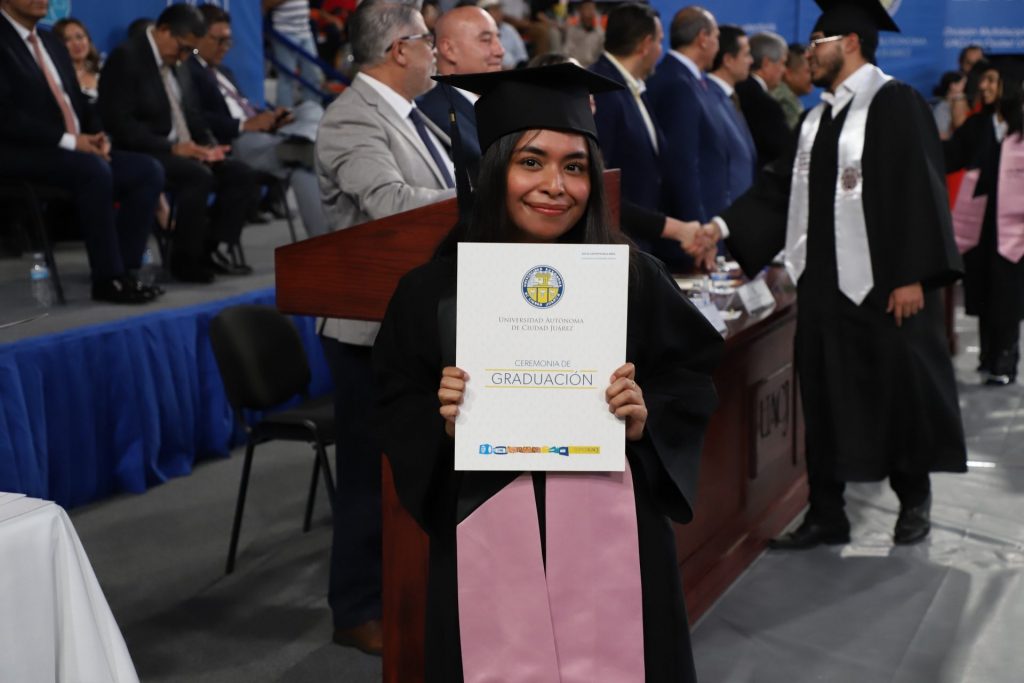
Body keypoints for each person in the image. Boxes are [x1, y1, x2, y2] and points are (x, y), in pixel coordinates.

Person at [373, 61, 722, 683]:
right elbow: (395, 400)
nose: (555, 186)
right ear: (494, 169)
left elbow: (691, 377)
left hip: (615, 530)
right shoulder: (434, 291)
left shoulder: (632, 278)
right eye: (531, 162)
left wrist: (646, 416)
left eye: (575, 166)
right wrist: (441, 419)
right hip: (484, 522)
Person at [694, 0, 967, 549]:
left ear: (851, 43)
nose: (808, 54)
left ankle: (913, 499)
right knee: (823, 397)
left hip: (885, 286)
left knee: (897, 393)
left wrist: (912, 275)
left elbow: (920, 186)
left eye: (818, 41)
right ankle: (827, 513)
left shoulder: (896, 101)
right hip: (823, 288)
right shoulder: (816, 119)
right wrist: (719, 227)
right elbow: (779, 187)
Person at [314, 0, 457, 656]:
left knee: (412, 468)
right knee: (370, 477)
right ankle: (356, 608)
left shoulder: (416, 115)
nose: (436, 53)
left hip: (419, 322)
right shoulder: (350, 117)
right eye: (428, 41)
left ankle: (410, 589)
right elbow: (392, 206)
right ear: (400, 48)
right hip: (366, 330)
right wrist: (488, 198)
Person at [0, 0, 164, 304]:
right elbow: (6, 117)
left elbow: (77, 101)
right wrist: (70, 141)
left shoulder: (50, 41)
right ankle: (107, 279)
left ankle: (124, 269)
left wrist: (98, 136)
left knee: (147, 170)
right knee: (92, 170)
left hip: (72, 149)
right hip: (20, 152)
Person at [99, 3, 261, 284]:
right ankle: (184, 260)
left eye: (191, 51)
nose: (185, 56)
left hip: (185, 148)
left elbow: (193, 114)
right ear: (164, 31)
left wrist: (210, 145)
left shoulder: (179, 60)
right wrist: (172, 148)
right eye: (183, 48)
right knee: (197, 176)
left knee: (240, 174)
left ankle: (207, 249)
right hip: (147, 150)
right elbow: (120, 124)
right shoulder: (127, 57)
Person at [189, 4, 329, 238]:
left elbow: (244, 106)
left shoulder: (224, 72)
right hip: (236, 139)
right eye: (219, 40)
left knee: (311, 108)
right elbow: (196, 118)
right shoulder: (190, 72)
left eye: (228, 41)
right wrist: (244, 125)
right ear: (198, 37)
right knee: (304, 167)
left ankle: (299, 143)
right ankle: (304, 146)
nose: (225, 47)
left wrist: (272, 117)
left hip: (264, 133)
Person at [590, 2, 704, 259]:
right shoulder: (602, 90)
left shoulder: (633, 88)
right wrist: (673, 228)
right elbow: (601, 187)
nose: (660, 50)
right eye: (660, 42)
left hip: (642, 247)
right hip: (615, 250)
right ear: (645, 45)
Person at [944, 58, 1024, 386]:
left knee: (1008, 292)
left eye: (992, 80)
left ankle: (1005, 360)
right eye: (984, 80)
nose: (984, 86)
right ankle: (988, 356)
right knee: (984, 288)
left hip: (1015, 228)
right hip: (980, 222)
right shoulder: (978, 126)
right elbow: (948, 156)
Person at [646, 5, 730, 269]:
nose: (717, 44)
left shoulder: (689, 80)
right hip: (684, 239)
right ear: (703, 38)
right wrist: (698, 233)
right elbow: (682, 164)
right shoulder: (677, 83)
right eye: (716, 36)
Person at [417, 4, 504, 186]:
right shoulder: (430, 114)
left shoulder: (503, 101)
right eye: (486, 40)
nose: (500, 51)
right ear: (449, 49)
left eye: (498, 37)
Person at [705, 24, 757, 205]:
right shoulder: (707, 99)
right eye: (746, 54)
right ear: (728, 60)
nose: (751, 61)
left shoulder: (730, 98)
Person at [737, 31, 792, 165]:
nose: (784, 70)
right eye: (783, 63)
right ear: (766, 63)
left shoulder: (735, 91)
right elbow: (785, 153)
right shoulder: (766, 106)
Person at [263, 0, 323, 106]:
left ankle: (312, 109)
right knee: (287, 76)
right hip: (284, 32)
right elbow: (266, 3)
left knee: (313, 73)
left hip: (305, 30)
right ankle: (285, 111)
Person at [51, 17, 99, 102]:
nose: (76, 43)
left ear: (88, 40)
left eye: (79, 37)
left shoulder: (102, 72)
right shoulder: (52, 75)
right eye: (67, 39)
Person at [771, 43, 813, 130]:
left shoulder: (785, 96)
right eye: (808, 71)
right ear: (789, 74)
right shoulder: (784, 101)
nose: (813, 76)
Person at [478, 0, 527, 69]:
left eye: (499, 9)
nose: (499, 13)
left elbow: (522, 56)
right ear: (485, 13)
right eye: (495, 9)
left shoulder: (509, 29)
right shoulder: (479, 32)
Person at [563, 0, 603, 67]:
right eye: (587, 8)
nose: (590, 12)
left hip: (593, 68)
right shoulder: (572, 31)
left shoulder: (600, 33)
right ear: (580, 11)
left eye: (592, 9)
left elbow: (601, 54)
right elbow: (566, 51)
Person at [932, 70, 968, 140]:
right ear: (952, 85)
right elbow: (941, 134)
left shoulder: (960, 102)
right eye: (962, 83)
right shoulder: (942, 108)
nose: (965, 86)